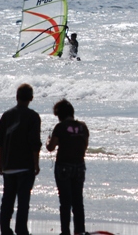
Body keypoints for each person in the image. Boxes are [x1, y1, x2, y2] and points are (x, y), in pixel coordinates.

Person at [0, 83, 42, 235]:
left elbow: (0, 140)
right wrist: (36, 164)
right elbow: (34, 142)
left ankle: (5, 229)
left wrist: (0, 161)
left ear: (17, 97)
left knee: (7, 200)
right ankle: (21, 229)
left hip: (9, 164)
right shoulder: (33, 117)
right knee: (23, 201)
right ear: (31, 98)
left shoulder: (7, 115)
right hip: (25, 165)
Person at [46, 99, 89, 235]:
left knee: (65, 202)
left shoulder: (60, 127)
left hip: (64, 166)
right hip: (79, 166)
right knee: (78, 202)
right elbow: (84, 146)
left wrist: (48, 140)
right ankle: (80, 231)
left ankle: (65, 232)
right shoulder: (83, 127)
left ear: (59, 115)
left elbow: (51, 147)